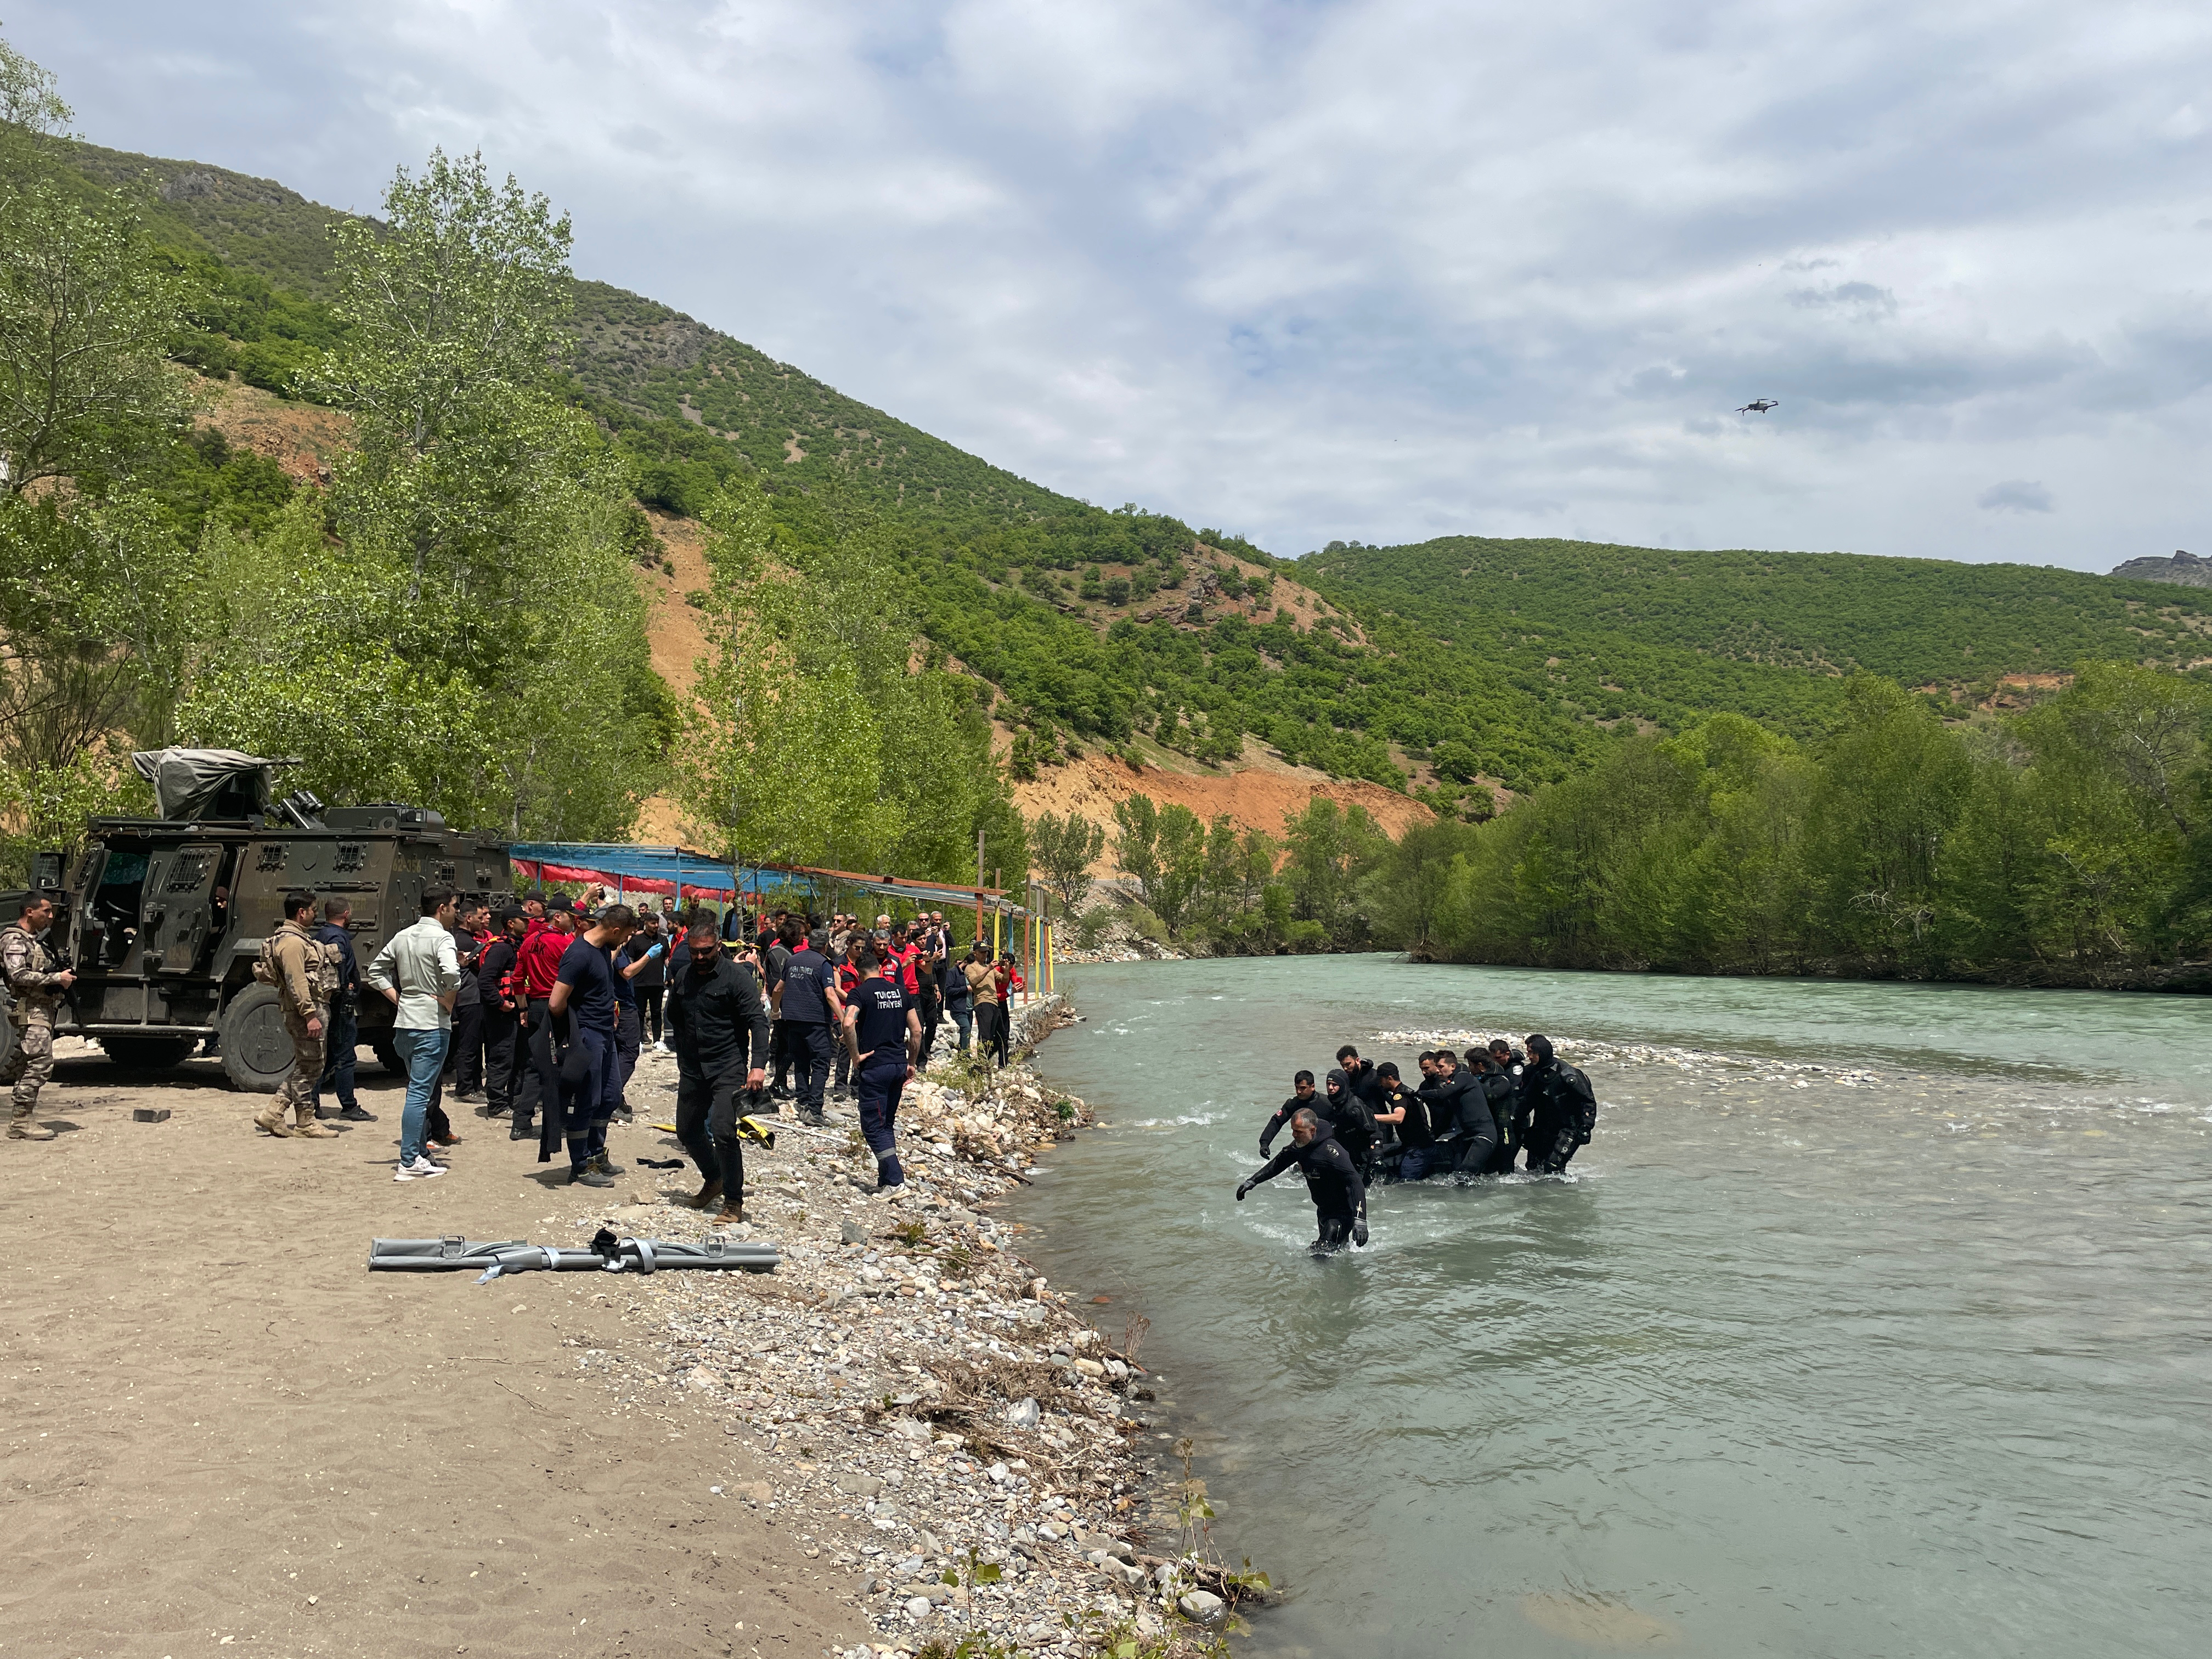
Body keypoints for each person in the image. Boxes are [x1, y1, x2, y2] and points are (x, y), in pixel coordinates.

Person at [667, 921, 771, 1224]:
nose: (700, 957)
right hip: (692, 1067)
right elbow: (674, 1014)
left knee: (725, 1131)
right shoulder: (684, 975)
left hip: (728, 1066)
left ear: (719, 947)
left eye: (706, 951)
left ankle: (733, 1202)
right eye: (694, 952)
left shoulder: (737, 978)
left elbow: (758, 1022)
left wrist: (758, 1066)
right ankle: (714, 1179)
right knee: (687, 1130)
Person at [364, 885, 461, 1179]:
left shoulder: (403, 936)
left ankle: (418, 1152)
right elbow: (453, 975)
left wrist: (399, 997)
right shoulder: (443, 938)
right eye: (455, 906)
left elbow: (375, 972)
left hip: (405, 1023)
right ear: (442, 908)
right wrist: (446, 995)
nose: (457, 912)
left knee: (417, 1090)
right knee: (421, 1094)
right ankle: (409, 1159)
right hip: (431, 1024)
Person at [548, 904, 634, 1186]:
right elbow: (556, 1002)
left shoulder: (600, 950)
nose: (623, 943)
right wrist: (574, 1032)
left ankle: (596, 1154)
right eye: (624, 937)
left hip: (605, 1034)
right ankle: (581, 1165)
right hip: (587, 1036)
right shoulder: (578, 954)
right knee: (588, 1100)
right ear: (615, 930)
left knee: (609, 1097)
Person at [251, 891, 336, 1140]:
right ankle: (304, 1122)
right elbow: (296, 981)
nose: (315, 914)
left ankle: (275, 1113)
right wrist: (310, 1015)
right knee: (310, 1066)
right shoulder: (292, 943)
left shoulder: (295, 939)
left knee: (308, 1063)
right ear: (302, 912)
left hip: (306, 1008)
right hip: (305, 1011)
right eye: (313, 910)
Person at [1235, 1107, 1369, 1253]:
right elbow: (1278, 1164)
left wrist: (1360, 1220)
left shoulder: (1331, 1152)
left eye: (1298, 1132)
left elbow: (1355, 1181)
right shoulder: (1300, 1147)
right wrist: (1252, 1181)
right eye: (1293, 1130)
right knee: (1338, 1254)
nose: (1294, 1135)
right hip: (1323, 1211)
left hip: (1342, 1213)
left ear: (1312, 1130)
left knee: (1319, 1255)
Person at [842, 946, 922, 1190]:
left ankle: (896, 1181)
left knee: (873, 1127)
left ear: (859, 971)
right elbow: (917, 1031)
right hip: (898, 1064)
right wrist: (912, 1063)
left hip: (875, 1066)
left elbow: (847, 1024)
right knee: (886, 1124)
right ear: (879, 969)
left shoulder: (859, 993)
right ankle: (885, 1180)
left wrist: (855, 1056)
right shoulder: (901, 992)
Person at [1, 892, 75, 1141]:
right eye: (46, 911)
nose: (51, 916)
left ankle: (20, 1118)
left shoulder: (35, 941)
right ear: (30, 912)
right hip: (28, 1010)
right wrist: (56, 979)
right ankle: (21, 1120)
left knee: (28, 1063)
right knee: (41, 1062)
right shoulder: (14, 940)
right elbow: (18, 976)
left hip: (40, 1008)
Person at [511, 904, 573, 1144]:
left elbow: (518, 978)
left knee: (535, 1063)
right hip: (556, 1006)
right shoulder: (562, 944)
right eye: (570, 917)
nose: (573, 921)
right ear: (557, 918)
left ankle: (523, 1120)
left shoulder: (528, 942)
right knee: (553, 1064)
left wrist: (523, 1007)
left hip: (535, 1005)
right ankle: (552, 1121)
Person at [771, 918, 840, 1125]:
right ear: (826, 946)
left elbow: (777, 989)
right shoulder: (824, 963)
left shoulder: (793, 960)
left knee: (800, 1061)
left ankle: (802, 1103)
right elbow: (830, 994)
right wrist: (844, 1020)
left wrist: (775, 1011)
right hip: (816, 1021)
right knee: (820, 1063)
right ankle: (815, 1110)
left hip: (792, 1019)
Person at [313, 899, 373, 1123]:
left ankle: (313, 1102)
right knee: (346, 1057)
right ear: (346, 914)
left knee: (328, 1058)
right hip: (341, 1005)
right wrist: (346, 985)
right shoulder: (338, 937)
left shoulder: (321, 934)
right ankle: (348, 1105)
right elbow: (341, 969)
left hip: (330, 1002)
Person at [476, 907, 527, 1124]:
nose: (527, 922)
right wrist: (501, 1003)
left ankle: (511, 1100)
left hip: (515, 1011)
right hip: (500, 1014)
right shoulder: (501, 949)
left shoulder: (517, 946)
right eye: (522, 919)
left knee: (516, 1057)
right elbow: (485, 981)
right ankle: (496, 1105)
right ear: (510, 924)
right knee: (500, 1058)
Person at [1521, 1034, 1598, 1173]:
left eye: (1532, 1053)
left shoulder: (1568, 1075)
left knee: (1553, 1168)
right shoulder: (1532, 1073)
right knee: (1533, 1168)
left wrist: (1586, 1127)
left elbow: (1588, 1101)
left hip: (1569, 1128)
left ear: (1542, 1054)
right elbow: (1526, 1102)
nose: (1529, 1056)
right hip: (1543, 1127)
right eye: (1528, 1052)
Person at [448, 900, 487, 1103]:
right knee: (468, 1045)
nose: (483, 922)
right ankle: (463, 1089)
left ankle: (475, 1085)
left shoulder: (465, 939)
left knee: (474, 1043)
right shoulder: (465, 942)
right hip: (469, 998)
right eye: (480, 918)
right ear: (469, 918)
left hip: (473, 997)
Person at [1370, 1060, 1437, 1180]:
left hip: (1419, 1149)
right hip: (1420, 1144)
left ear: (1389, 1078)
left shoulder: (1400, 1096)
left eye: (1381, 1080)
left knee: (1407, 1182)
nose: (1380, 1083)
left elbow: (1398, 1117)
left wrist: (1372, 1117)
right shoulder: (1408, 1091)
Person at [1257, 1070, 1318, 1156]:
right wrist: (1264, 1143)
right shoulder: (1292, 1104)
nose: (1299, 1092)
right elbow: (1277, 1121)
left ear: (1312, 1087)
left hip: (1320, 1147)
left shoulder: (1326, 1103)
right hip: (1300, 1146)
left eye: (1302, 1088)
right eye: (1297, 1088)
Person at [964, 943, 1005, 1066]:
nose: (985, 955)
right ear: (975, 953)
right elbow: (973, 982)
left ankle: (987, 1059)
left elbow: (1003, 979)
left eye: (986, 952)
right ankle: (982, 1063)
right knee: (985, 1035)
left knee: (1000, 1036)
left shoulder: (989, 968)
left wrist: (1007, 968)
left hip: (994, 1003)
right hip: (982, 1002)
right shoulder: (971, 967)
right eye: (982, 952)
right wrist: (988, 969)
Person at [634, 911, 668, 1052]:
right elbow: (631, 960)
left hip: (657, 983)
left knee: (656, 1013)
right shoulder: (636, 941)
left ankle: (657, 1040)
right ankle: (639, 1041)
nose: (656, 926)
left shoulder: (663, 940)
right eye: (653, 923)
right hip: (640, 983)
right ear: (646, 923)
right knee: (639, 1013)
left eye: (657, 923)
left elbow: (667, 960)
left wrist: (670, 976)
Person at [939, 937, 973, 1056]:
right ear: (966, 963)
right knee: (966, 1027)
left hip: (969, 1008)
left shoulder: (971, 974)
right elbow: (948, 990)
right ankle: (965, 1055)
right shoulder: (953, 973)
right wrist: (966, 989)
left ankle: (963, 1050)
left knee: (967, 1031)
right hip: (958, 1008)